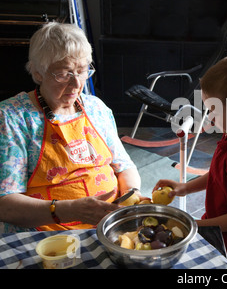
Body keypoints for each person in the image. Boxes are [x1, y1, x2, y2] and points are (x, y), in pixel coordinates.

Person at [0, 22, 143, 232]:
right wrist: (70, 210)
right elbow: (5, 204)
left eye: (82, 70)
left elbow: (124, 166)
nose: (77, 84)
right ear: (38, 73)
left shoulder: (96, 108)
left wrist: (132, 196)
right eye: (64, 73)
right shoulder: (11, 117)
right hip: (48, 237)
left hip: (109, 225)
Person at [155, 53, 227, 269]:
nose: (210, 117)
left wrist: (193, 225)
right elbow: (221, 174)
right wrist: (185, 188)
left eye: (214, 111)